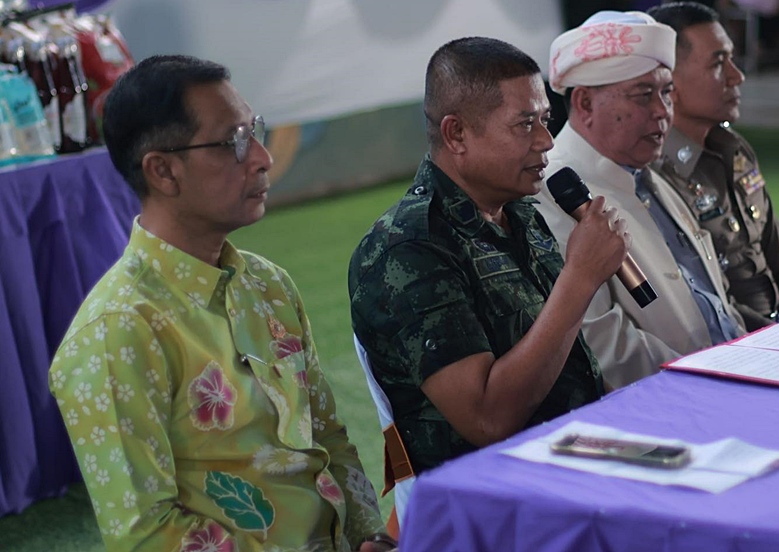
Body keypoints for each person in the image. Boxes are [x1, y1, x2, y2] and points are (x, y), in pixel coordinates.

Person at [48, 55, 394, 552]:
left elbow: (327, 435)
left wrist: (369, 534)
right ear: (163, 171)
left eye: (255, 131)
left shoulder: (267, 283)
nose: (263, 157)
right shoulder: (118, 331)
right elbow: (147, 535)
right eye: (234, 141)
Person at [349, 37, 629, 474]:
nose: (546, 142)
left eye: (545, 120)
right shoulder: (408, 249)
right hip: (495, 495)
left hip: (576, 461)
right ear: (456, 134)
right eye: (524, 124)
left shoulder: (520, 215)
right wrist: (581, 277)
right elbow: (487, 419)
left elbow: (572, 372)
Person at [535, 11, 744, 390]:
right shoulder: (554, 192)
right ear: (584, 103)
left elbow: (715, 300)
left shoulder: (644, 172)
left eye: (666, 92)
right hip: (680, 398)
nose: (663, 111)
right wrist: (708, 383)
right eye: (644, 95)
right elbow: (601, 343)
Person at [646, 2, 779, 331]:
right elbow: (708, 304)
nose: (736, 76)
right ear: (669, 82)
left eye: (732, 58)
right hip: (737, 342)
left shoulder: (733, 149)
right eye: (718, 63)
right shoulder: (656, 176)